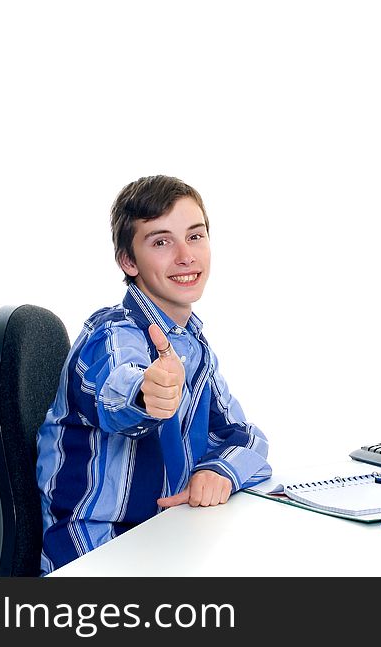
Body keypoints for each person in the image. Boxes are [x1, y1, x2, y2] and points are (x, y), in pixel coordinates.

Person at [36, 175, 272, 574]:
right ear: (129, 261)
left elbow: (245, 437)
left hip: (164, 544)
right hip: (94, 559)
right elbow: (118, 389)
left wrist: (220, 470)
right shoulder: (109, 334)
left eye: (195, 236)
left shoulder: (192, 345)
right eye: (162, 242)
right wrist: (148, 394)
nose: (186, 256)